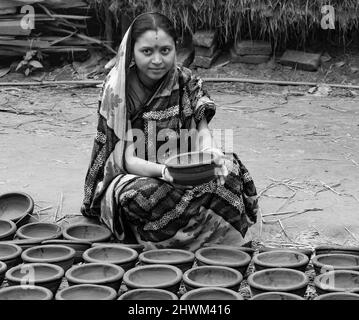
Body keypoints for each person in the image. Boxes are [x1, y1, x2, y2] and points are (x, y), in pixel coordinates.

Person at [81, 12, 259, 251]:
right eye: (147, 52)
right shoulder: (118, 90)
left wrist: (209, 152)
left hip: (185, 168)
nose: (157, 60)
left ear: (175, 48)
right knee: (138, 196)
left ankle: (217, 244)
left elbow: (201, 131)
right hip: (141, 175)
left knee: (228, 170)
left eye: (165, 50)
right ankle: (164, 246)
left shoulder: (184, 80)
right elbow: (128, 160)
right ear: (131, 51)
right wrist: (165, 171)